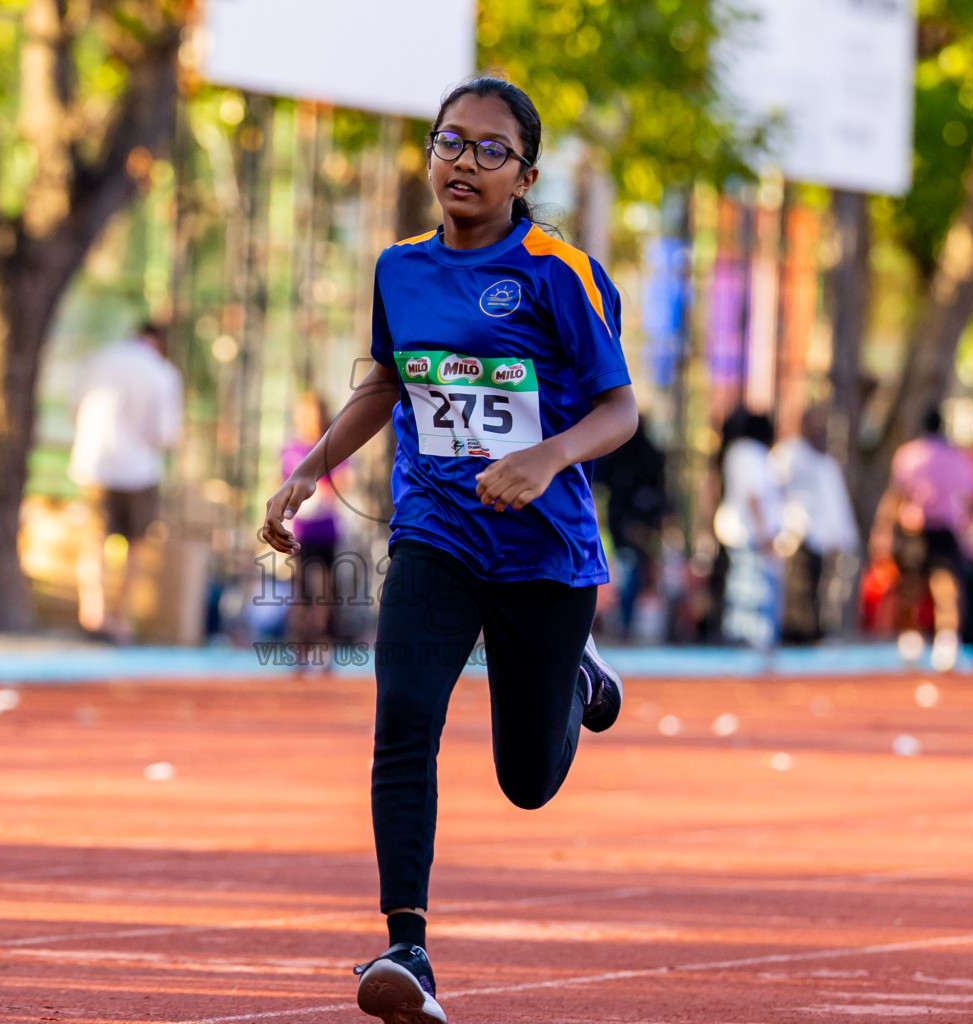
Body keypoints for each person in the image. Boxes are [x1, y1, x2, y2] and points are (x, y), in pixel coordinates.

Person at [260, 76, 635, 1024]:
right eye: (449, 142)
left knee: (527, 782)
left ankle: (580, 676)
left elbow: (618, 409)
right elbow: (387, 382)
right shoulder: (399, 269)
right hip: (435, 531)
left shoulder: (561, 271)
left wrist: (545, 459)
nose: (464, 162)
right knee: (404, 722)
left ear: (527, 174)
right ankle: (407, 949)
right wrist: (307, 472)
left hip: (544, 552)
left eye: (489, 149)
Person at [68, 321, 183, 644]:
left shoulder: (101, 359)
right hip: (139, 471)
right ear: (160, 343)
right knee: (136, 546)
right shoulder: (162, 373)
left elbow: (74, 409)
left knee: (94, 543)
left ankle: (94, 614)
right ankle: (122, 620)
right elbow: (165, 434)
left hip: (94, 466)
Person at [870, 405, 973, 669]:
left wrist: (883, 530)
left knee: (909, 587)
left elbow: (896, 496)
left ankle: (910, 642)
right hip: (947, 530)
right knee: (946, 588)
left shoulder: (909, 455)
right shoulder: (959, 457)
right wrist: (967, 524)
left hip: (914, 529)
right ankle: (946, 643)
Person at [771, 409, 858, 644]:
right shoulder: (789, 455)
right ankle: (796, 634)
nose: (820, 432)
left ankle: (814, 633)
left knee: (820, 588)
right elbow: (773, 491)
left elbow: (837, 504)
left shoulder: (827, 464)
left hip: (823, 539)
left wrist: (843, 536)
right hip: (797, 536)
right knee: (798, 588)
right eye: (815, 426)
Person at [280, 392, 349, 664]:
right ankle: (300, 647)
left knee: (325, 591)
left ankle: (324, 645)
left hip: (326, 529)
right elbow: (281, 484)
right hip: (301, 531)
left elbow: (343, 481)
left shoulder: (331, 445)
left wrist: (320, 494)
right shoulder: (290, 448)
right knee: (302, 590)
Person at [714, 407, 783, 649]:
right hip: (751, 535)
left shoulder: (738, 451)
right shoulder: (749, 452)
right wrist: (766, 534)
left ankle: (746, 641)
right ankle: (750, 643)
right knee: (752, 590)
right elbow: (754, 496)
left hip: (747, 534)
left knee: (745, 587)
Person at [594, 422, 667, 640]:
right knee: (631, 572)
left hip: (624, 522)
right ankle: (625, 621)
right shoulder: (650, 456)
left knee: (628, 572)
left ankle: (624, 621)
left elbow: (602, 482)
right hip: (637, 523)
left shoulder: (618, 456)